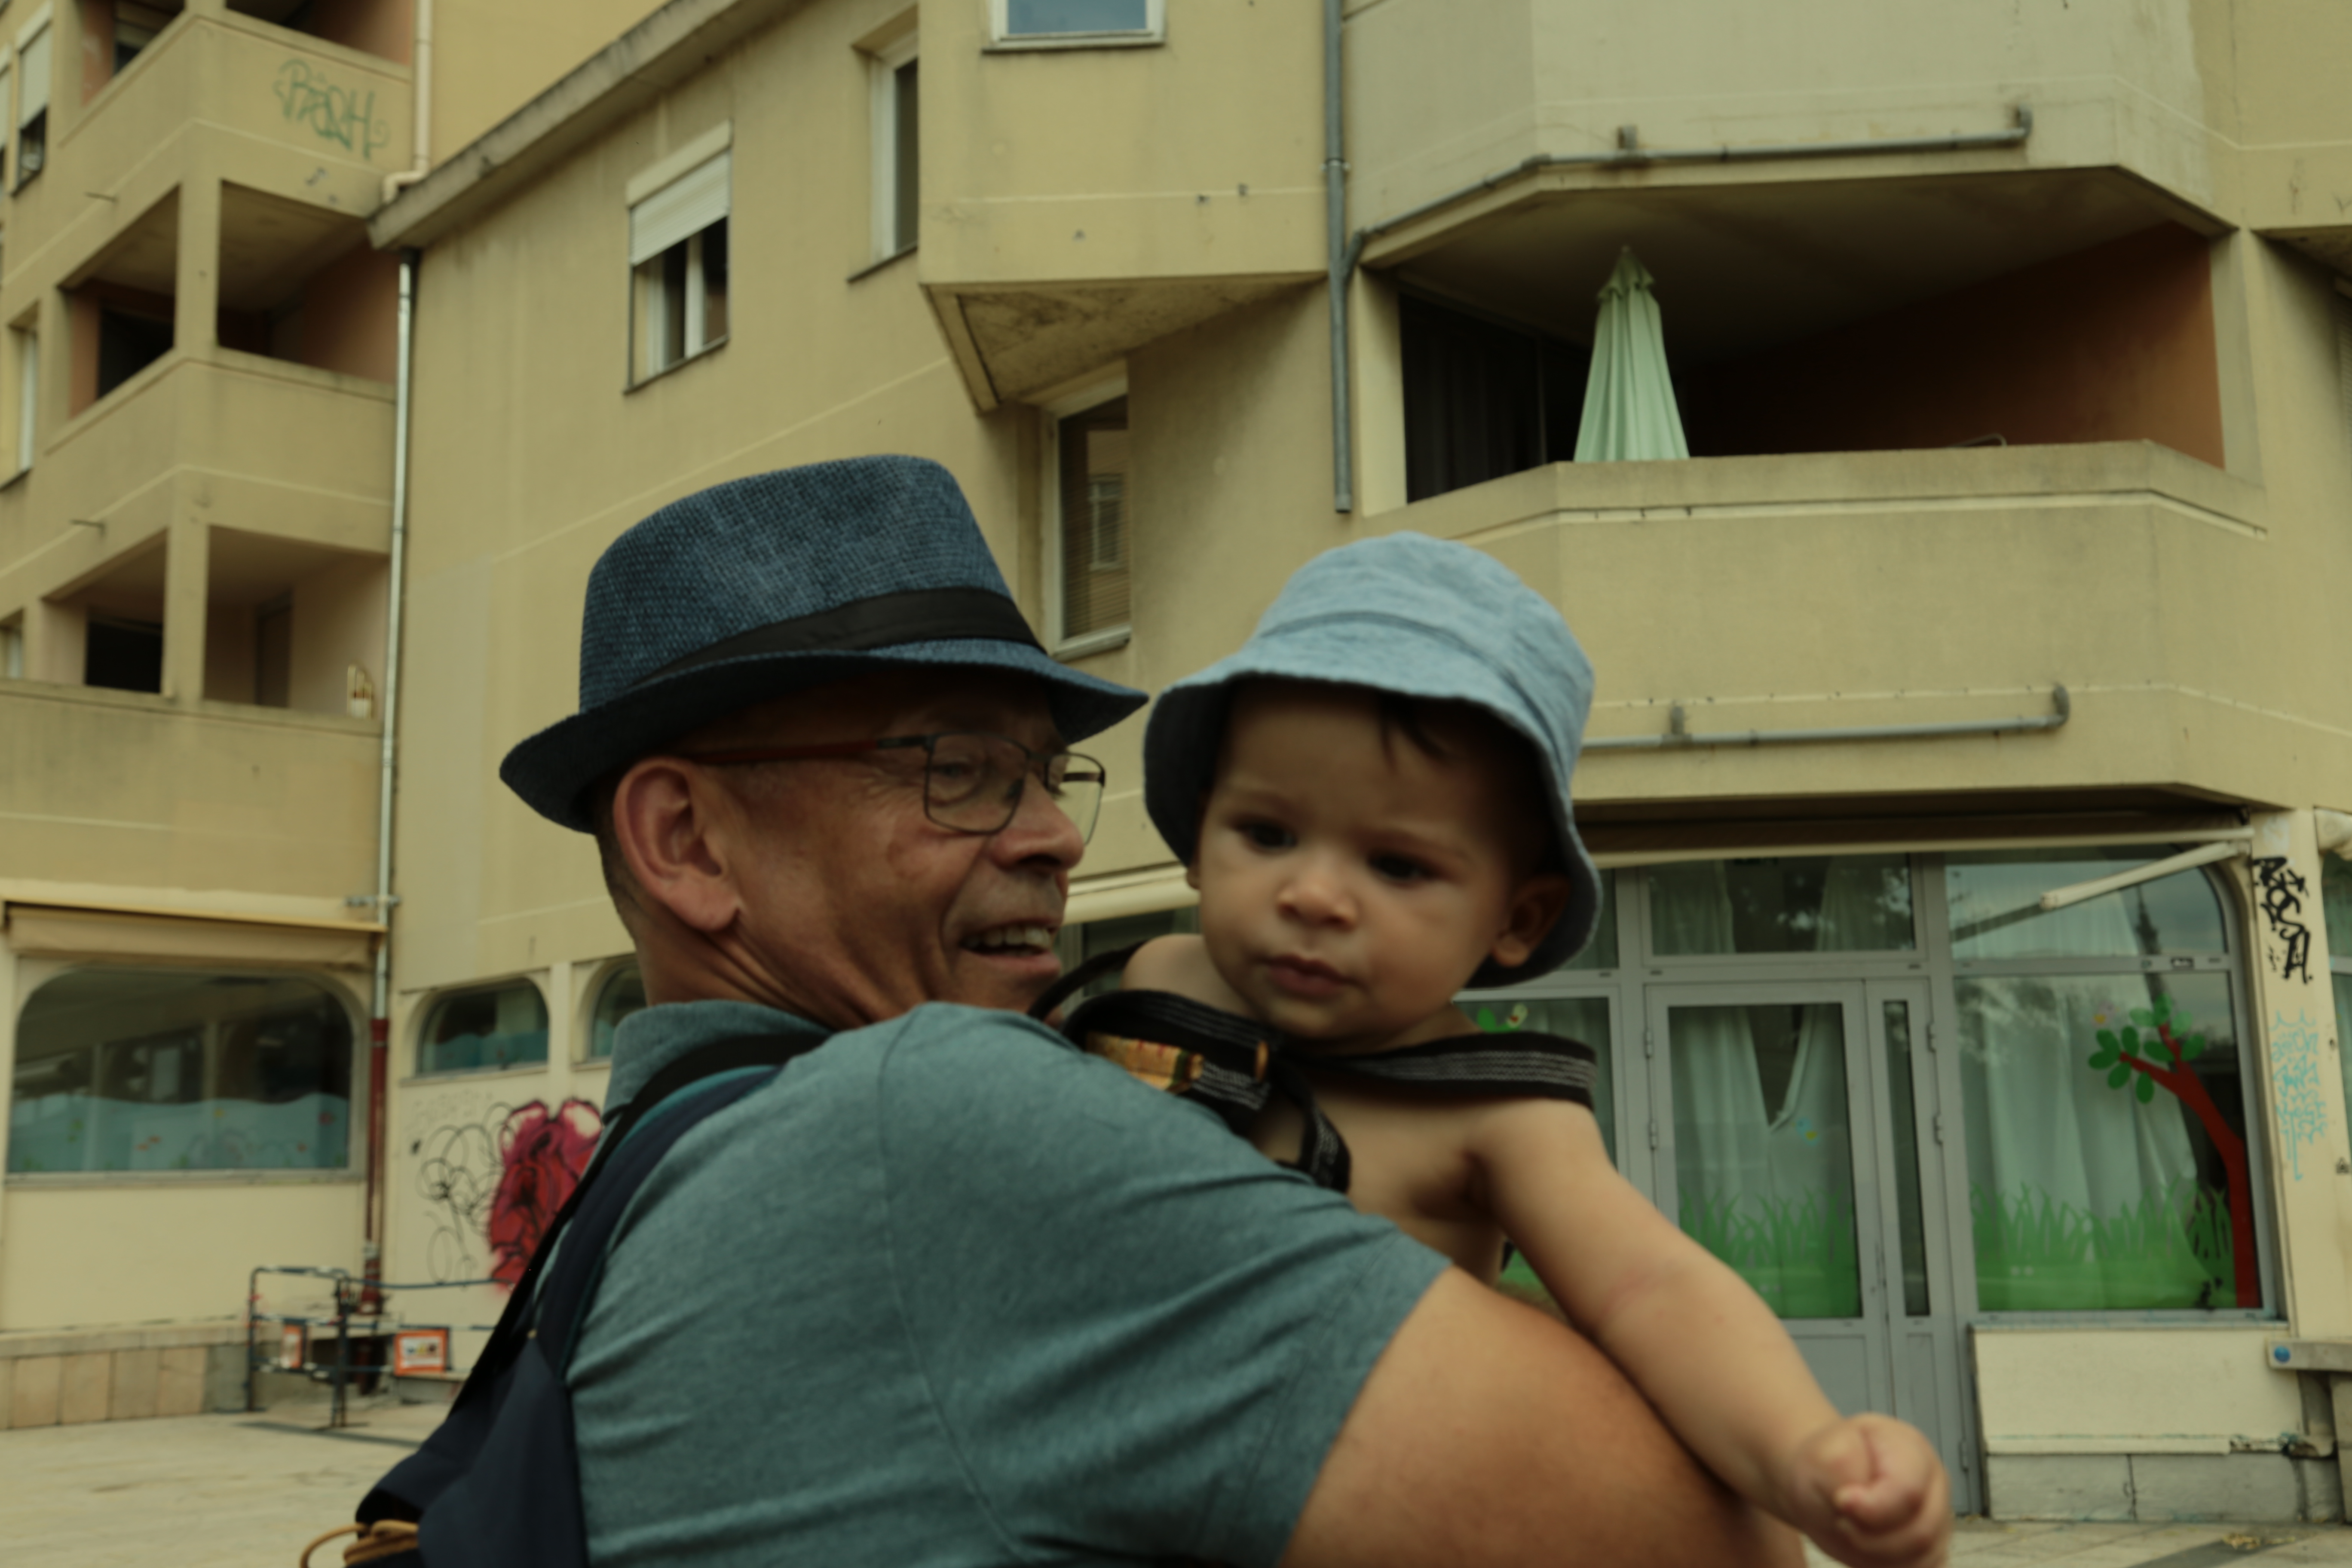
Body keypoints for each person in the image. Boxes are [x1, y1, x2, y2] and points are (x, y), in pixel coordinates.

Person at [491, 456, 1807, 1567]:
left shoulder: (640, 1187)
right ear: (687, 842)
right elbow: (1717, 1544)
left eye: (1047, 771)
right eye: (958, 767)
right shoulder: (933, 1118)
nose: (1058, 834)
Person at [1069, 532, 1948, 1568]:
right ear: (1198, 833)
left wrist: (1804, 1453)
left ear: (1517, 918)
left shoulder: (1499, 1114)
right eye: (1266, 834)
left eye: (1397, 865)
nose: (1311, 894)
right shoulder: (1155, 985)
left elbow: (1649, 1289)